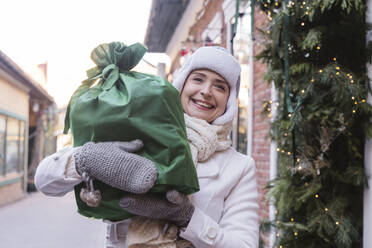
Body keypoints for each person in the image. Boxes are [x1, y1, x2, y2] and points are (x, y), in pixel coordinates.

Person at [34, 46, 259, 248]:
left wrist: (187, 218)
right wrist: (85, 159)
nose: (207, 91)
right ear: (181, 85)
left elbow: (244, 244)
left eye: (220, 86)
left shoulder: (239, 167)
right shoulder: (140, 128)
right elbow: (44, 181)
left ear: (229, 101)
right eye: (198, 79)